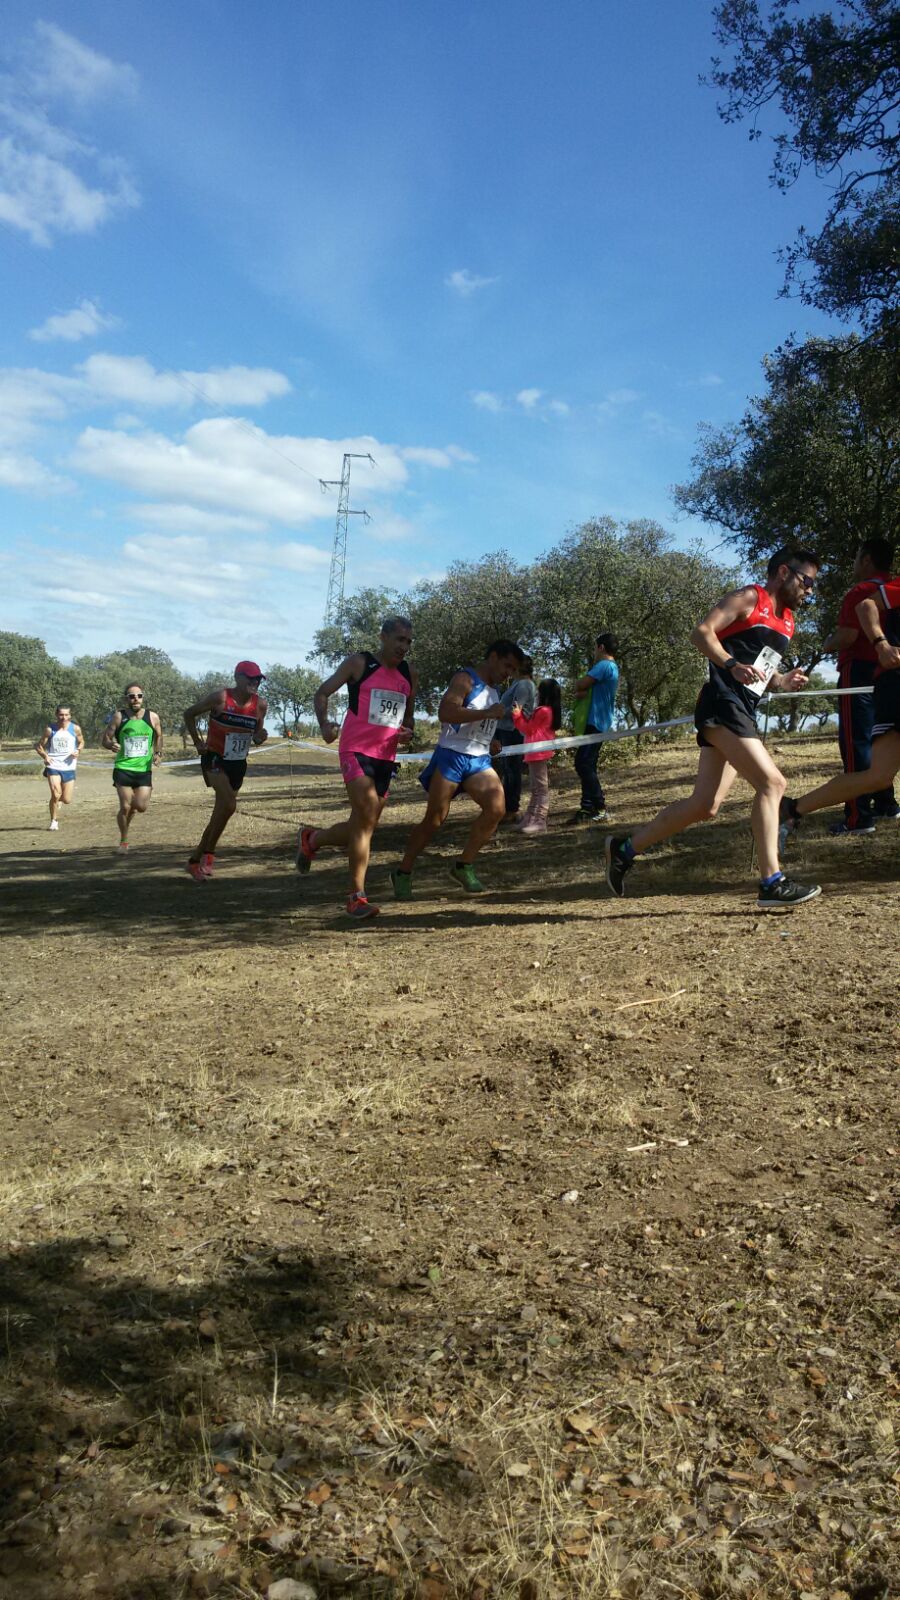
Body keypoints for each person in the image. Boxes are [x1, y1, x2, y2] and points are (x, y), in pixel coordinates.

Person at [604, 549, 823, 912]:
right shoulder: (749, 598)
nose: (810, 591)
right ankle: (772, 882)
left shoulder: (787, 623)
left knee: (705, 805)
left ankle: (623, 850)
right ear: (784, 572)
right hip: (723, 703)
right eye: (807, 581)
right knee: (773, 784)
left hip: (741, 709)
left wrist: (782, 681)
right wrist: (730, 663)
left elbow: (761, 673)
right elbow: (702, 633)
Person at [296, 616, 417, 920]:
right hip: (355, 750)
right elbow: (322, 692)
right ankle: (356, 897)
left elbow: (409, 717)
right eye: (399, 639)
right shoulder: (359, 663)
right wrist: (324, 724)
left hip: (385, 757)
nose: (404, 646)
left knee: (363, 825)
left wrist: (408, 731)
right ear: (383, 637)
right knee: (365, 817)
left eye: (408, 641)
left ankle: (312, 839)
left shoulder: (408, 673)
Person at [390, 640, 525, 898]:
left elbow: (480, 725)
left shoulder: (495, 690)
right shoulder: (465, 679)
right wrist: (486, 713)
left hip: (478, 760)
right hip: (451, 756)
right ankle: (403, 871)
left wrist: (490, 740)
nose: (508, 673)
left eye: (513, 669)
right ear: (493, 657)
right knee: (434, 820)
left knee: (497, 809)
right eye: (507, 666)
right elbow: (446, 712)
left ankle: (464, 865)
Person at [781, 578, 900, 841]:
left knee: (878, 777)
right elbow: (866, 606)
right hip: (895, 683)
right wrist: (881, 644)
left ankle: (792, 808)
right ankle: (791, 809)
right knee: (877, 776)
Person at [822, 538, 897, 834]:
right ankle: (887, 804)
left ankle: (858, 816)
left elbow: (847, 636)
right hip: (889, 676)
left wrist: (828, 642)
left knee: (856, 743)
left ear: (866, 559)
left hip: (859, 671)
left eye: (857, 557)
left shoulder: (861, 591)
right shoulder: (892, 589)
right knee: (881, 738)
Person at [183, 662, 268, 881]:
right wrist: (197, 742)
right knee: (230, 805)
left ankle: (196, 860)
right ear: (237, 677)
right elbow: (189, 714)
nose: (255, 682)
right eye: (250, 678)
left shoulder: (260, 705)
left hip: (237, 763)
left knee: (221, 813)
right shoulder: (220, 698)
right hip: (214, 758)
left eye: (258, 679)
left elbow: (257, 734)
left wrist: (260, 737)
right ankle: (207, 856)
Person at [102, 683, 163, 850]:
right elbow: (105, 739)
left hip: (144, 770)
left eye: (139, 696)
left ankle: (128, 820)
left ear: (142, 697)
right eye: (132, 696)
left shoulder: (152, 717)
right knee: (125, 806)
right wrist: (111, 745)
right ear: (126, 699)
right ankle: (124, 840)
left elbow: (159, 736)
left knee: (140, 807)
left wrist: (158, 753)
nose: (136, 699)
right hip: (123, 768)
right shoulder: (119, 717)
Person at [570, 633, 619, 823]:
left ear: (601, 647)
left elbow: (581, 684)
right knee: (588, 764)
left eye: (595, 647)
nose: (594, 651)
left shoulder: (604, 665)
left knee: (582, 763)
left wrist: (579, 686)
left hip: (595, 722)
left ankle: (600, 807)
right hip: (599, 722)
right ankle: (587, 807)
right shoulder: (612, 667)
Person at [512, 678, 562, 834]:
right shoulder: (549, 711)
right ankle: (529, 819)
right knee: (536, 789)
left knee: (540, 789)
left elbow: (528, 729)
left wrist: (517, 715)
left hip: (536, 752)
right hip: (537, 752)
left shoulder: (543, 711)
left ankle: (540, 821)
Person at [494, 657, 535, 821]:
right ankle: (507, 808)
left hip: (513, 731)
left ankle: (512, 809)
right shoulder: (518, 683)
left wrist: (495, 712)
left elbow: (515, 709)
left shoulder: (523, 684)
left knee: (512, 771)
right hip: (509, 731)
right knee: (509, 770)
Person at [35, 705, 84, 830]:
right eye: (61, 714)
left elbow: (81, 742)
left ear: (70, 715)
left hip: (69, 766)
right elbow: (39, 746)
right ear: (57, 715)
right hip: (54, 765)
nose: (64, 717)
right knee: (56, 794)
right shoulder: (50, 729)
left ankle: (59, 801)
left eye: (66, 715)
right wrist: (45, 756)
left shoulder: (75, 728)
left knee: (66, 799)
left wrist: (78, 750)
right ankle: (54, 821)